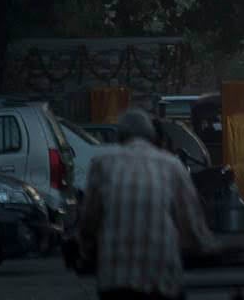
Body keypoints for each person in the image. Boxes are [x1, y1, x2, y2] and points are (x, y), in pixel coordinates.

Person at [79, 109, 215, 300]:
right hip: (161, 280)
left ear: (119, 137)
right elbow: (191, 225)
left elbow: (89, 221)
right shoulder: (171, 165)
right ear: (153, 137)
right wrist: (205, 248)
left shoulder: (102, 164)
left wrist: (87, 251)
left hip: (115, 281)